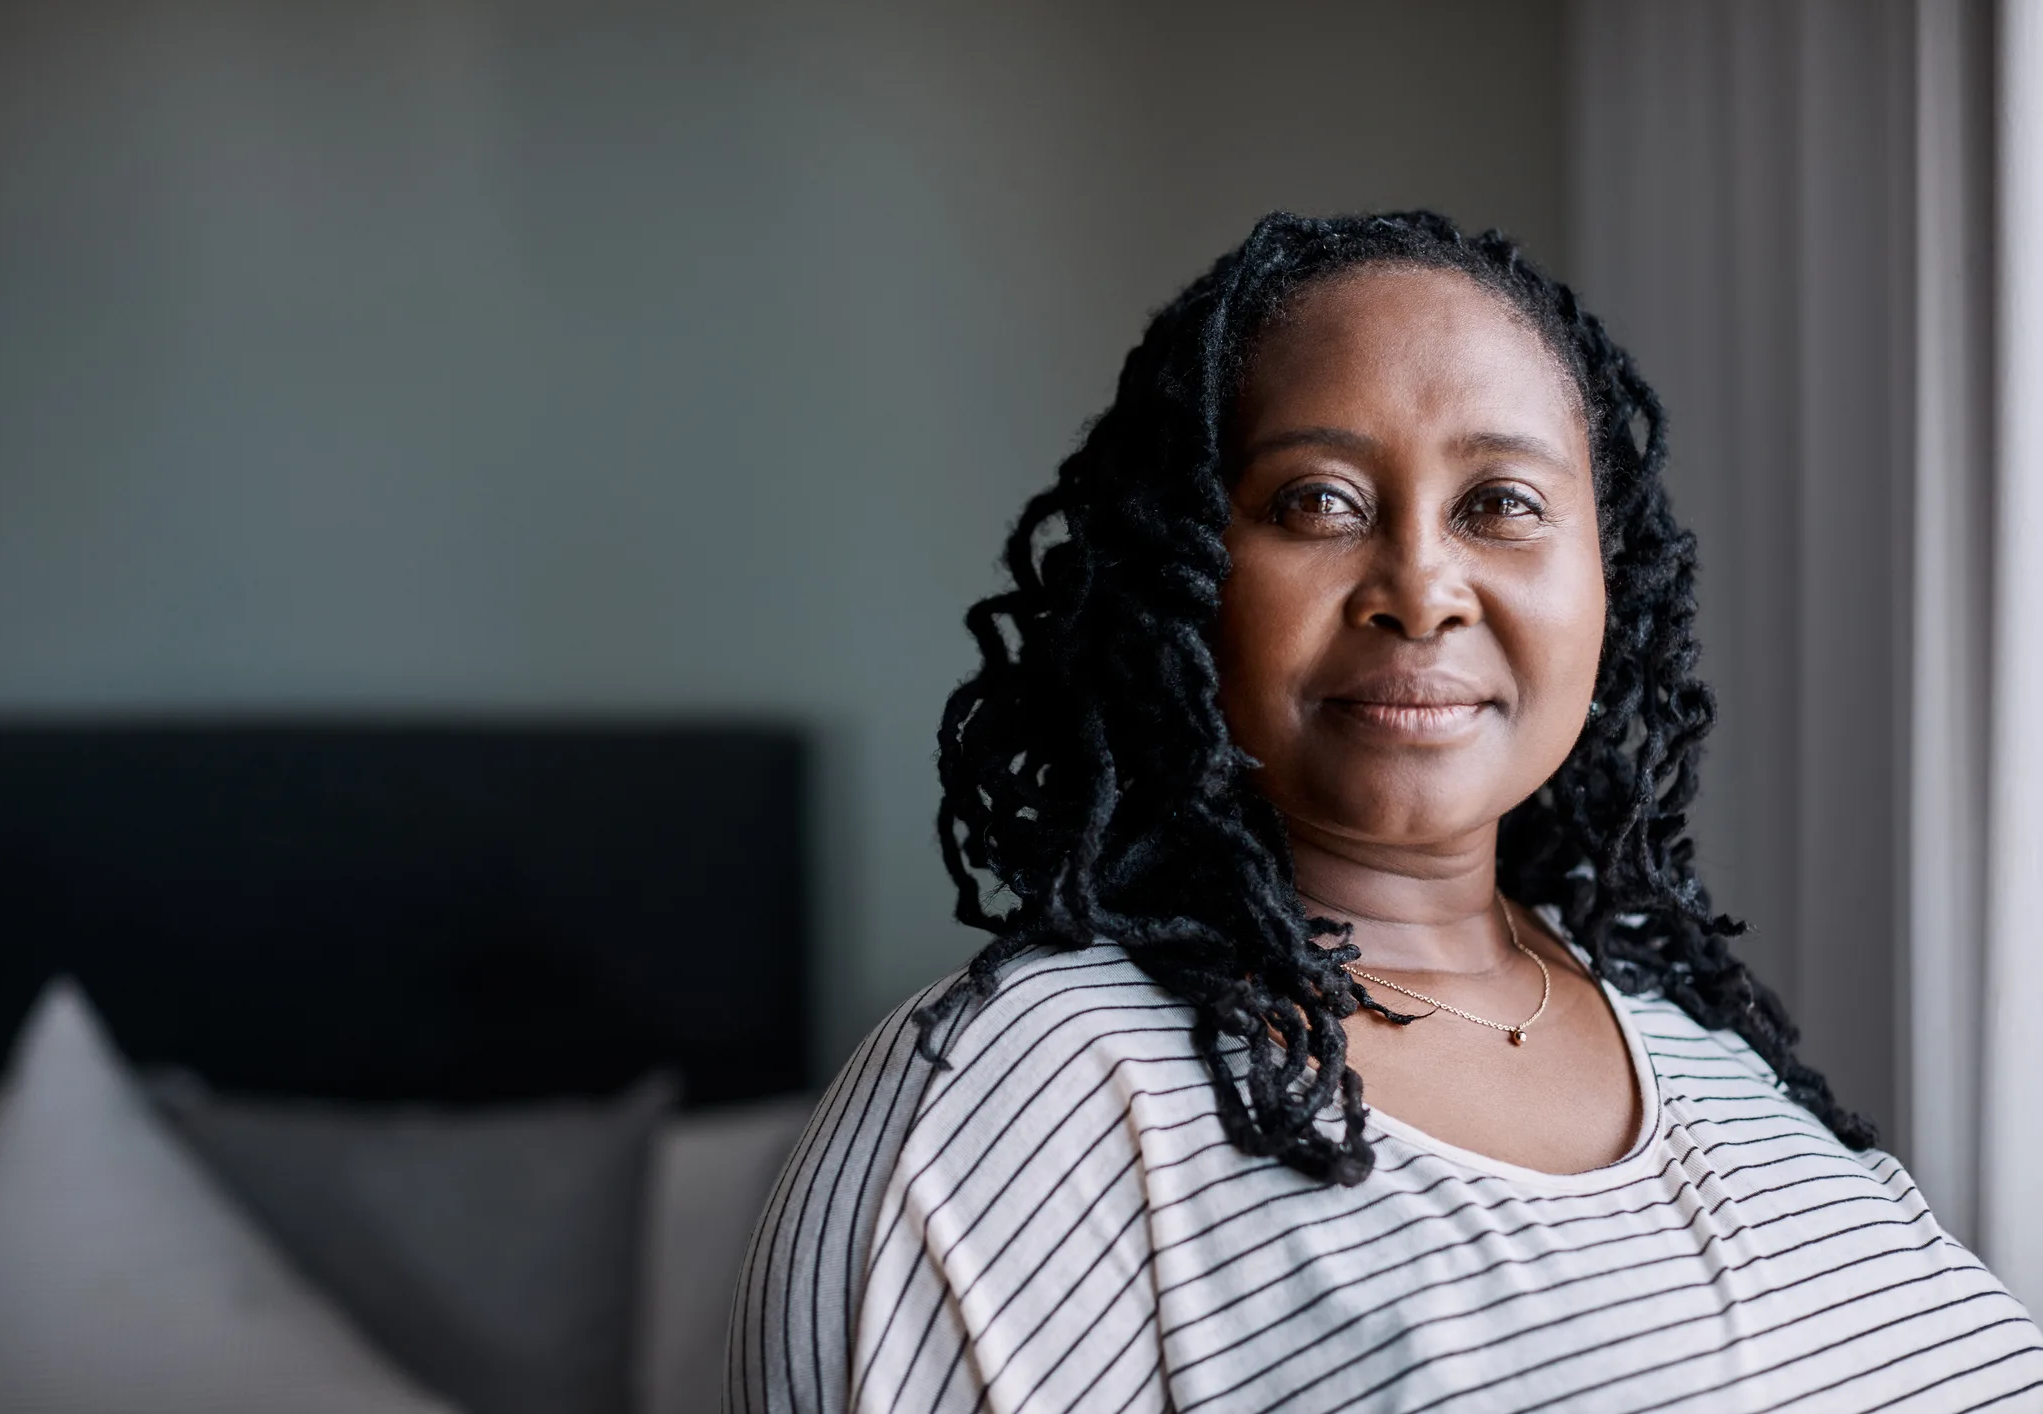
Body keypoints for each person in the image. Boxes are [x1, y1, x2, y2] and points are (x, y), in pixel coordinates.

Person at [727, 211, 2043, 1413]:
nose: (1421, 586)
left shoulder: (1694, 1037)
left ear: (1609, 577)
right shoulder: (1023, 1093)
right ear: (1182, 574)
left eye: (1500, 506)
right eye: (1318, 503)